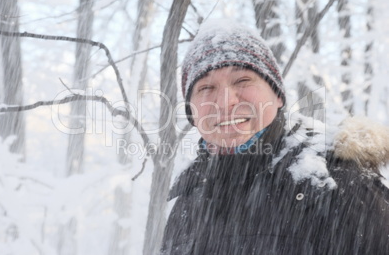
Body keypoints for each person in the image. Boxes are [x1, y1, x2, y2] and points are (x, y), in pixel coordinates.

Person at [160, 19, 389, 254]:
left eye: (242, 80)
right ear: (192, 112)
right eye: (206, 88)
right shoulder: (187, 198)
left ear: (278, 96)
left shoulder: (336, 179)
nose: (226, 101)